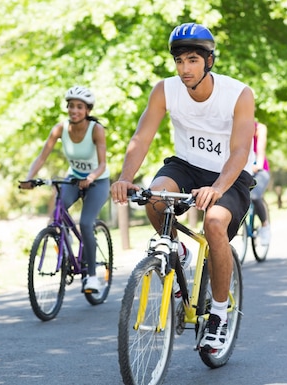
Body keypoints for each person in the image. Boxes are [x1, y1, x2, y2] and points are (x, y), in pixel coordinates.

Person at [110, 23, 255, 352]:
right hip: (186, 165)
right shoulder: (165, 90)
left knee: (215, 223)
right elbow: (141, 137)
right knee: (154, 198)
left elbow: (240, 151)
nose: (185, 68)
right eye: (179, 61)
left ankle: (218, 315)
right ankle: (177, 252)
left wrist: (217, 188)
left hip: (228, 174)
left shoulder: (238, 93)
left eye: (192, 60)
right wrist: (124, 177)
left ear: (209, 61)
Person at [20, 86, 110, 293]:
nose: (74, 110)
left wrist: (91, 177)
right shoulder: (60, 129)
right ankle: (66, 246)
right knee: (56, 215)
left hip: (97, 181)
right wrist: (29, 178)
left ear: (87, 110)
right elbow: (42, 157)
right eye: (71, 106)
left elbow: (103, 164)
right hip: (73, 179)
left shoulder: (96, 129)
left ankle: (92, 278)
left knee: (87, 222)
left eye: (79, 107)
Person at [252, 121, 271, 246]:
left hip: (260, 171)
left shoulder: (260, 128)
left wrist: (257, 165)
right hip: (241, 171)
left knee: (254, 196)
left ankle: (265, 225)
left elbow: (260, 150)